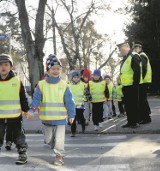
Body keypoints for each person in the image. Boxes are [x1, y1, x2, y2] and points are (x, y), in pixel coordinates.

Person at [26, 54, 75, 166]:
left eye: (58, 69)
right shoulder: (41, 84)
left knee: (59, 140)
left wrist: (72, 114)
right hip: (47, 118)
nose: (56, 71)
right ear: (48, 70)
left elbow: (69, 101)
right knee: (48, 140)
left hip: (61, 118)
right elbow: (36, 99)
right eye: (53, 68)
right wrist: (31, 110)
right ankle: (53, 144)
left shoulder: (64, 85)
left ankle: (59, 156)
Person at [0, 54, 29, 164]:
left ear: (11, 67)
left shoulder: (17, 81)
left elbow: (23, 97)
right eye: (1, 65)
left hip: (15, 115)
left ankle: (22, 153)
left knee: (18, 135)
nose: (3, 67)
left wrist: (26, 111)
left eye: (6, 64)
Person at [117, 41, 142, 128]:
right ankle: (130, 121)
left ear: (125, 48)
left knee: (133, 105)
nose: (120, 51)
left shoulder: (133, 56)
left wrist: (135, 83)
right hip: (126, 86)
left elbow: (137, 71)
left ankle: (135, 122)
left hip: (132, 85)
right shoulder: (126, 57)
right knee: (128, 105)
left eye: (120, 49)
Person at [132, 41, 152, 124]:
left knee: (141, 100)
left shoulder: (142, 56)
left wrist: (140, 80)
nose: (135, 50)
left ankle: (145, 118)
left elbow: (143, 69)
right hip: (145, 81)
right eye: (134, 48)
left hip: (143, 81)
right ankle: (146, 115)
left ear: (140, 48)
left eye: (136, 48)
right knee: (143, 99)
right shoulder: (143, 55)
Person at [69, 71, 86, 137]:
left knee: (81, 117)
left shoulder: (83, 85)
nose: (76, 79)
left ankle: (83, 128)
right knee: (73, 119)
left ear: (79, 78)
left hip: (80, 105)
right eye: (75, 77)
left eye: (77, 77)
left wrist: (85, 99)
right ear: (72, 78)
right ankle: (73, 132)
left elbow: (86, 93)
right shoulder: (69, 85)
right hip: (72, 105)